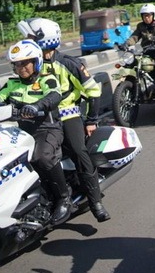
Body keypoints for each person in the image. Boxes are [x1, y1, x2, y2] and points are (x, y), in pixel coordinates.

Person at [0, 39, 72, 225]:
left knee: (42, 157)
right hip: (21, 132)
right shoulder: (12, 85)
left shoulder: (47, 79)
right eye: (17, 64)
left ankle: (64, 198)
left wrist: (37, 105)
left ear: (36, 61)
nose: (21, 67)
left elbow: (55, 95)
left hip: (48, 129)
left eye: (25, 63)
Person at [16, 18, 110, 222]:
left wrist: (92, 120)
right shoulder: (31, 64)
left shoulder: (68, 63)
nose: (26, 40)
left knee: (78, 152)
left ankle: (95, 202)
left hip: (67, 114)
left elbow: (93, 90)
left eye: (30, 37)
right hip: (39, 118)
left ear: (44, 40)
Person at [125, 3, 155, 80]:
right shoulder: (141, 26)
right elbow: (134, 37)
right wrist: (126, 43)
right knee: (131, 65)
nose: (146, 18)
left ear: (154, 15)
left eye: (148, 15)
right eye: (144, 16)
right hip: (145, 51)